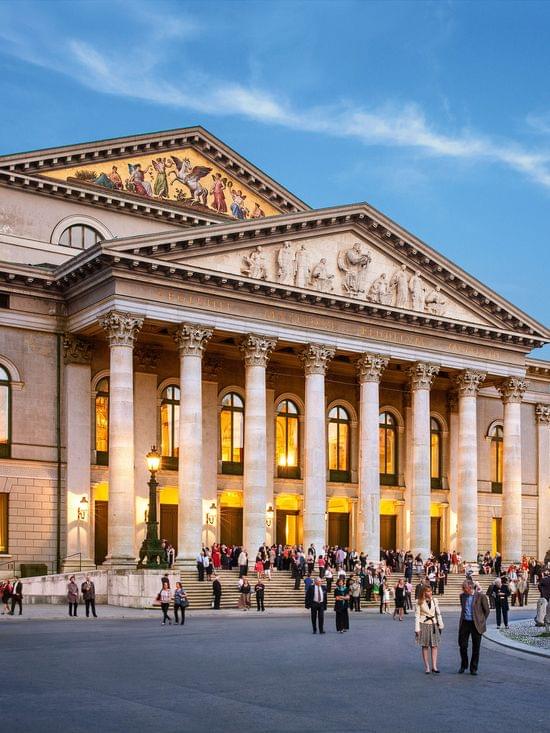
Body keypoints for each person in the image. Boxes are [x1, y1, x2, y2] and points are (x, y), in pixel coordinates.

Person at [458, 579, 490, 675]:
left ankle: (474, 668)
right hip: (465, 623)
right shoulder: (462, 596)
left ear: (470, 587)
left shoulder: (481, 596)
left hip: (476, 624)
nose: (463, 590)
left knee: (476, 647)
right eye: (463, 588)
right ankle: (464, 664)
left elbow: (487, 610)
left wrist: (481, 620)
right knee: (462, 645)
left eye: (465, 588)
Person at [414, 585, 444, 674]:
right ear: (424, 592)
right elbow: (417, 615)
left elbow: (438, 613)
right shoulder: (419, 601)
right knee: (425, 645)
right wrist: (417, 628)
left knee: (434, 645)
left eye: (431, 591)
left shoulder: (435, 600)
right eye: (428, 591)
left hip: (433, 624)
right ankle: (427, 666)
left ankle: (434, 666)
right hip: (423, 624)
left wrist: (441, 624)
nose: (430, 593)